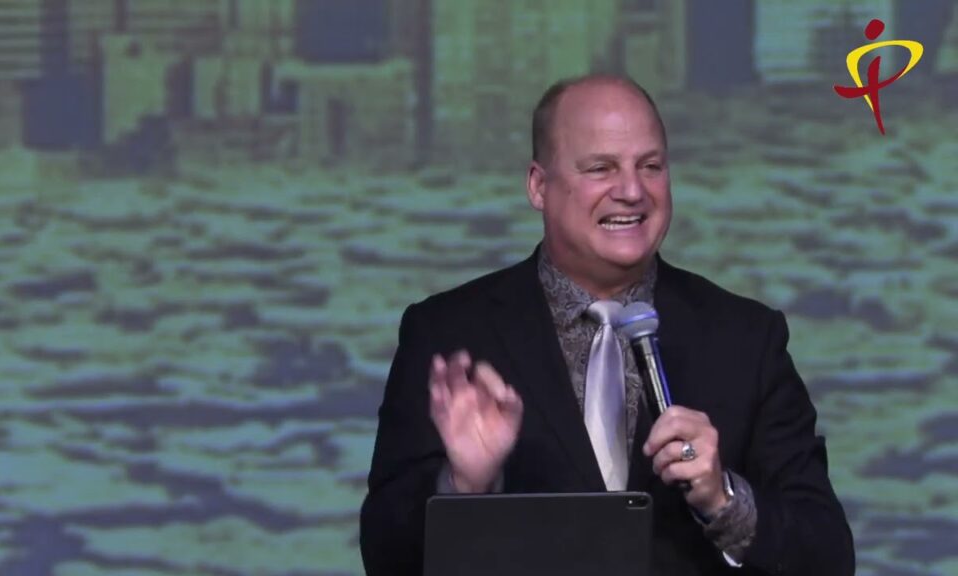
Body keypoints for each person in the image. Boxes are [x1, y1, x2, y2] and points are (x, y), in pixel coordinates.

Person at [359, 75, 855, 575]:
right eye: (601, 168)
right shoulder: (447, 333)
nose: (632, 191)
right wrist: (463, 486)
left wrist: (723, 498)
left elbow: (828, 558)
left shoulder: (746, 338)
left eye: (651, 166)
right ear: (538, 186)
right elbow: (385, 556)